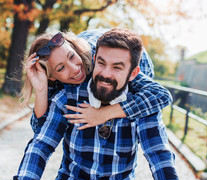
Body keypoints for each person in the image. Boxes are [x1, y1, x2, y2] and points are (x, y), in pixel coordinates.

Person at [3, 28, 194, 180]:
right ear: (94, 60)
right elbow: (41, 143)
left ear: (132, 73)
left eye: (117, 67)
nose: (105, 73)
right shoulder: (68, 93)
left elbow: (160, 155)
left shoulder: (141, 101)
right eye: (101, 63)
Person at [21, 29, 172, 132]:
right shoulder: (53, 79)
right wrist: (40, 90)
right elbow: (39, 129)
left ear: (74, 49)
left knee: (131, 111)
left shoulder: (103, 62)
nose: (74, 69)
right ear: (51, 76)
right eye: (61, 68)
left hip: (140, 62)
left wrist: (104, 114)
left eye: (72, 56)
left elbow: (161, 96)